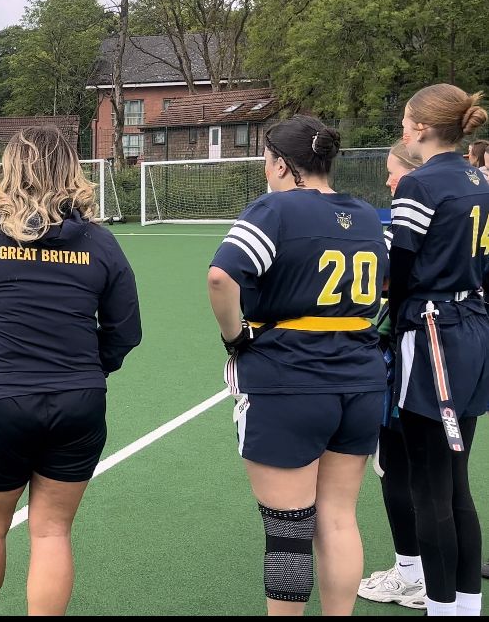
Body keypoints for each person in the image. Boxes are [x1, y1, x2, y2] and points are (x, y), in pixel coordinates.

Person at [0, 125, 141, 616]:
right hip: (79, 402)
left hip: (0, 402)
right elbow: (126, 331)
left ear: (11, 170)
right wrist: (89, 369)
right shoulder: (100, 242)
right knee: (52, 532)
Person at [208, 116, 388, 615]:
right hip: (360, 379)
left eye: (268, 161)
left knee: (288, 530)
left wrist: (235, 336)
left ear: (283, 165)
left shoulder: (275, 208)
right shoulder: (367, 214)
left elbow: (222, 276)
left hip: (289, 379)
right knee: (339, 518)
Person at [387, 83, 489, 616]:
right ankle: (466, 606)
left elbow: (401, 269)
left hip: (432, 334)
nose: (403, 129)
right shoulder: (478, 178)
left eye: (406, 121)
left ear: (423, 128)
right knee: (455, 483)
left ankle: (443, 608)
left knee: (430, 486)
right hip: (472, 325)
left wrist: (388, 316)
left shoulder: (420, 183)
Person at [357, 141, 428, 610]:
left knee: (396, 466)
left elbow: (390, 280)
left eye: (393, 172)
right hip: (452, 349)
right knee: (436, 471)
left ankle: (411, 574)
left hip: (410, 355)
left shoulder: (406, 225)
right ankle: (435, 571)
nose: (387, 181)